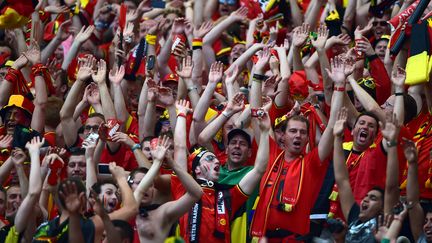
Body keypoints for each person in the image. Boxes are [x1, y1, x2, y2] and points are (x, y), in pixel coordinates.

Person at [250, 54, 345, 242]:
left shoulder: (312, 163)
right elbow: (255, 114)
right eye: (293, 131)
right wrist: (257, 74)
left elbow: (332, 125)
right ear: (282, 135)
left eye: (303, 132)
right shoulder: (271, 153)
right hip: (261, 237)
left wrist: (340, 86)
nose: (298, 136)